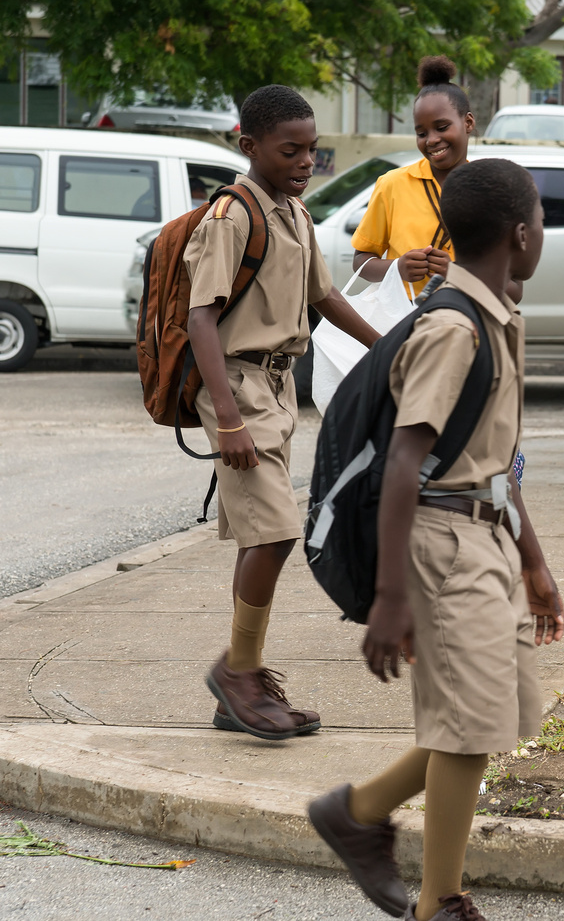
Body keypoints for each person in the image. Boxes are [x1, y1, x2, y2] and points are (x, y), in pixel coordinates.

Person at [308, 159, 564, 921]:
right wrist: (389, 596)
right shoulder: (454, 327)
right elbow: (404, 461)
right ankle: (440, 901)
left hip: (484, 532)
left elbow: (490, 458)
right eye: (542, 219)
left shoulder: (494, 316)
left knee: (488, 715)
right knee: (468, 721)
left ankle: (356, 812)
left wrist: (536, 562)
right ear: (521, 234)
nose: (542, 231)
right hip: (442, 540)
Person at [189, 85, 381, 740]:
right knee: (272, 531)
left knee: (264, 532)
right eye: (289, 149)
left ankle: (237, 684)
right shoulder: (233, 214)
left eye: (312, 149)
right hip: (238, 387)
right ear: (250, 146)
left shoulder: (294, 214)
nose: (305, 161)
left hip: (277, 387)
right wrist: (228, 416)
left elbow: (325, 299)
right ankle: (237, 672)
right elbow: (200, 318)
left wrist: (391, 350)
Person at [351, 56, 473, 300]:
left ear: (468, 123)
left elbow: (511, 287)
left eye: (441, 127)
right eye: (421, 132)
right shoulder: (392, 185)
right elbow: (361, 262)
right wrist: (396, 268)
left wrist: (457, 274)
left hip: (464, 320)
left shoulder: (488, 189)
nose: (431, 140)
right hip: (403, 322)